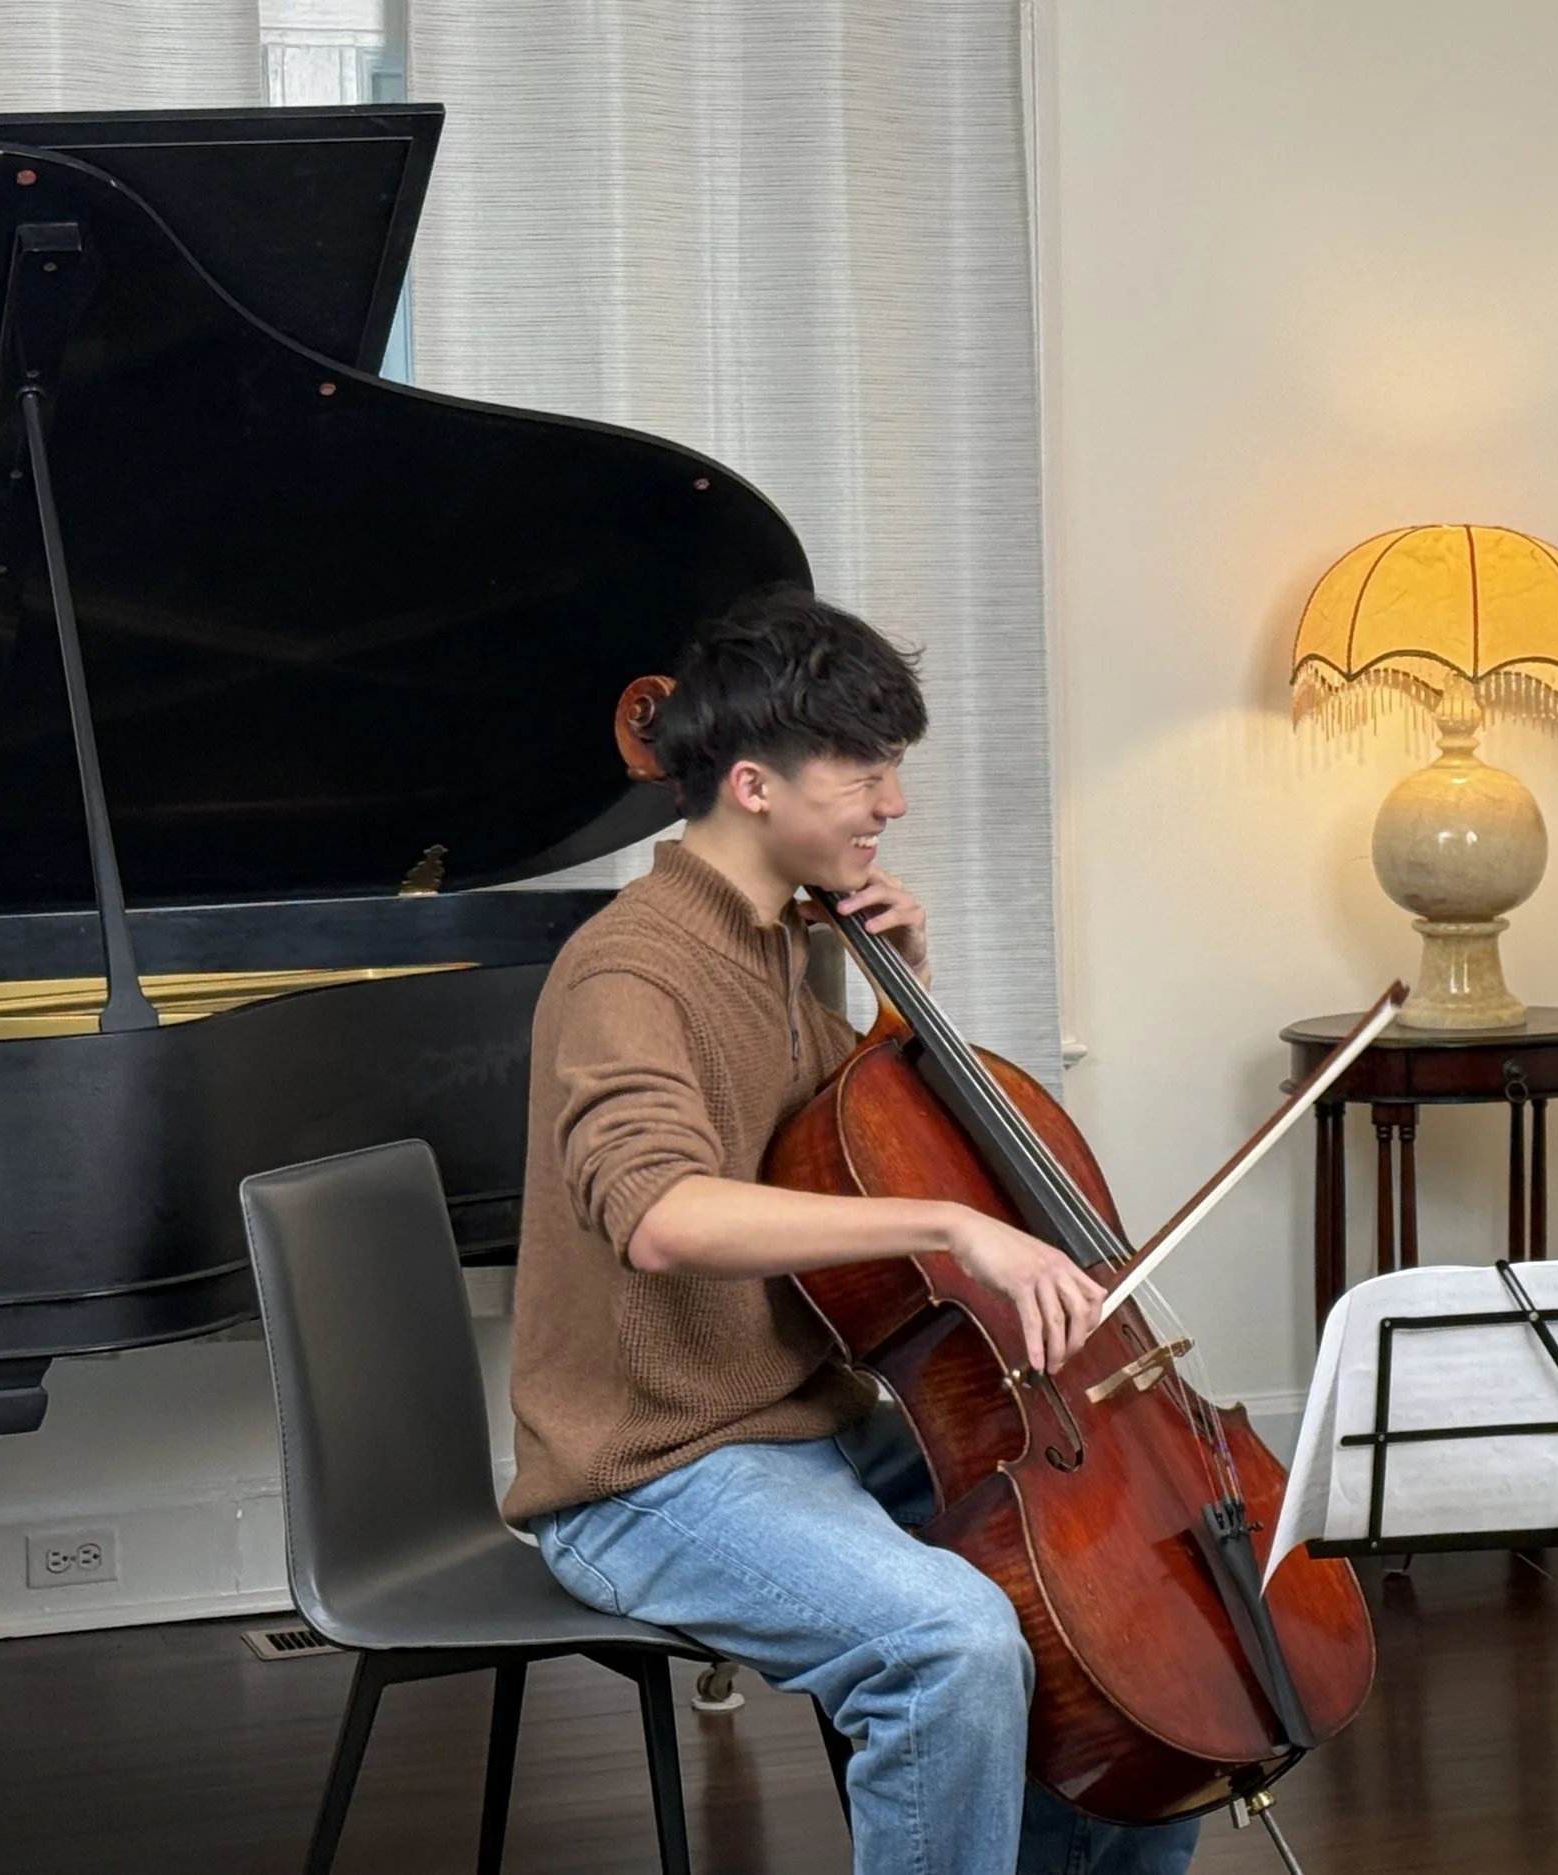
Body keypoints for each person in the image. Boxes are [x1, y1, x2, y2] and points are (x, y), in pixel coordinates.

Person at [502, 584, 1203, 1875]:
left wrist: (909, 995)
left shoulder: (787, 943)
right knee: (949, 1644)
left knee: (1123, 1607)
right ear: (756, 785)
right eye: (867, 773)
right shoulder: (627, 971)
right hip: (652, 1467)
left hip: (804, 1422)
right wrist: (955, 1225)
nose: (893, 804)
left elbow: (850, 1128)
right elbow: (660, 1215)